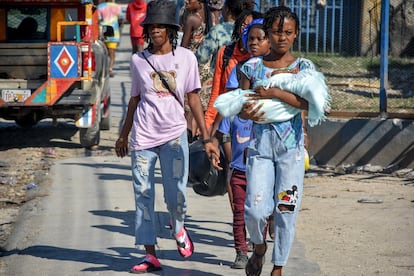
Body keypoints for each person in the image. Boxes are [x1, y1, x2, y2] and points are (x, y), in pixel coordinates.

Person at [114, 0, 220, 273]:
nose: (156, 31)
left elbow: (193, 98)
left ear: (171, 30)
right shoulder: (138, 61)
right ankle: (150, 254)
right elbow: (134, 100)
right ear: (147, 30)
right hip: (143, 139)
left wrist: (207, 138)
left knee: (175, 195)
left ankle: (179, 227)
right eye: (152, 26)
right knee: (143, 194)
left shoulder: (185, 58)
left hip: (174, 137)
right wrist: (123, 135)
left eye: (161, 26)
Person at [237, 6, 318, 276]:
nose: (282, 37)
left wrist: (274, 93)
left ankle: (278, 267)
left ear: (295, 35)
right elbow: (242, 103)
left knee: (286, 209)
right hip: (260, 149)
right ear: (267, 33)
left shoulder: (303, 68)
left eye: (288, 32)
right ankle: (259, 248)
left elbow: (308, 102)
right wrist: (245, 109)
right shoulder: (251, 66)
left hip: (291, 150)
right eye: (276, 32)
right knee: (255, 209)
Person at [214, 18, 269, 270]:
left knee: (260, 211)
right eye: (251, 39)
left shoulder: (270, 107)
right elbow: (226, 124)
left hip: (263, 166)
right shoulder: (236, 103)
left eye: (260, 38)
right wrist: (226, 153)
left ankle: (258, 246)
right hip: (238, 166)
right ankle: (240, 250)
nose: (254, 43)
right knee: (239, 211)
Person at [204, 10, 262, 131]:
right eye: (243, 24)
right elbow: (217, 92)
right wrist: (208, 123)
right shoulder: (225, 53)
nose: (246, 29)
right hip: (225, 120)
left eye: (251, 25)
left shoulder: (261, 60)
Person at [97, 0, 122, 76]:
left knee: (103, 52)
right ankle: (110, 69)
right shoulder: (117, 7)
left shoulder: (100, 7)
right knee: (112, 53)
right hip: (114, 32)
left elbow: (98, 19)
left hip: (103, 32)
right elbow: (121, 19)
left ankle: (103, 69)